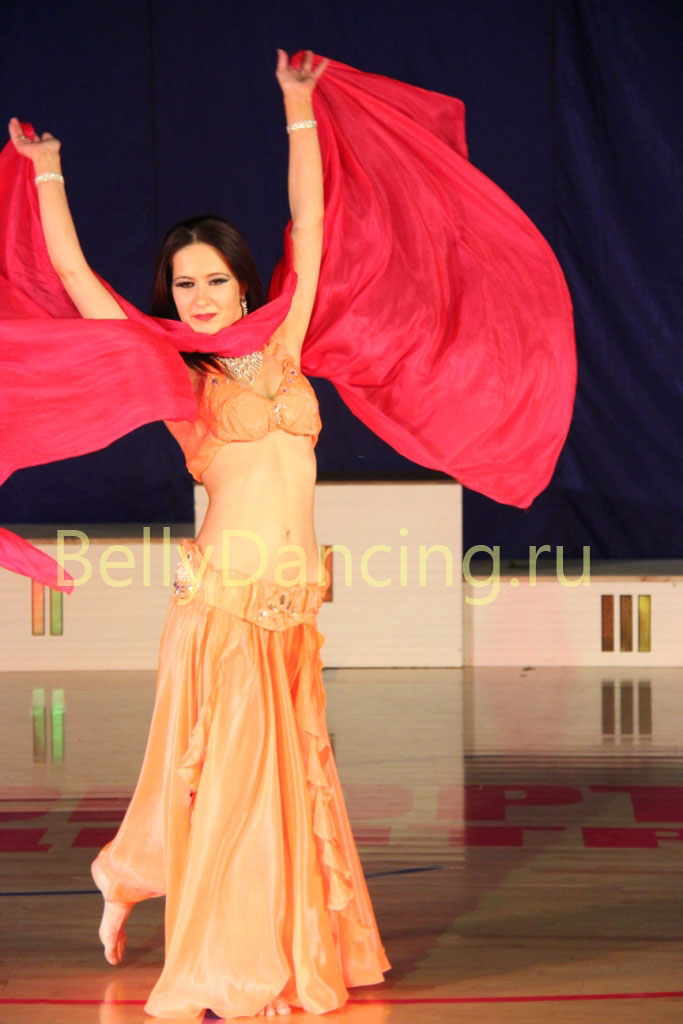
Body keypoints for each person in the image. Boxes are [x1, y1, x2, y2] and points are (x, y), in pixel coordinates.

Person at [8, 50, 390, 1019]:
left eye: (214, 278)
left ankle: (152, 885)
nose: (199, 296)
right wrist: (47, 172)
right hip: (223, 612)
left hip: (292, 615)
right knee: (238, 792)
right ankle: (224, 971)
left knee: (283, 786)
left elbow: (311, 224)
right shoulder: (177, 375)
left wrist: (297, 109)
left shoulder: (286, 344)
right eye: (182, 284)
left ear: (243, 283)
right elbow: (74, 277)